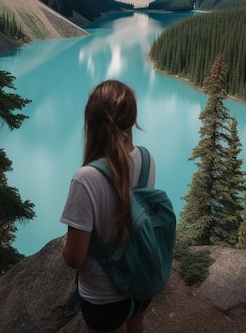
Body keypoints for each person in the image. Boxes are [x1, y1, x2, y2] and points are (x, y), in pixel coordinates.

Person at [60, 79, 156, 333]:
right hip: (140, 283)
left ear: (92, 121)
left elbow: (75, 258)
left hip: (104, 296)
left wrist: (64, 246)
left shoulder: (85, 179)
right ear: (131, 119)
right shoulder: (146, 159)